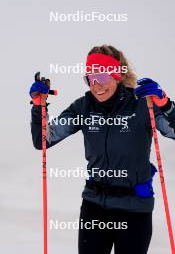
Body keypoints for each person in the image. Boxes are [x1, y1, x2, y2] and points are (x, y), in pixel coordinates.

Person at [30, 45, 175, 254]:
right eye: (91, 78)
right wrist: (38, 106)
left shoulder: (143, 105)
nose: (97, 85)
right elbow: (43, 140)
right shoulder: (83, 107)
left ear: (117, 75)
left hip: (135, 208)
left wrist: (166, 105)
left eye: (103, 77)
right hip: (94, 207)